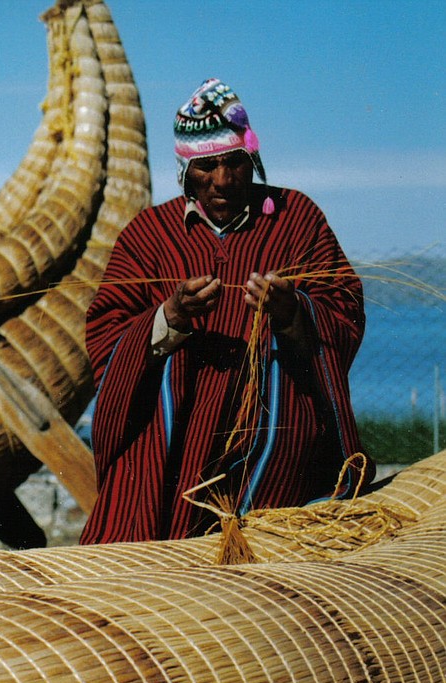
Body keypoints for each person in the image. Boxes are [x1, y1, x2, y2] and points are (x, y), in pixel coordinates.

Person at [80, 78, 374, 545]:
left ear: (251, 158)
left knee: (272, 570)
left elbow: (344, 311)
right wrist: (168, 318)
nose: (221, 180)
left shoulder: (296, 218)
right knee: (154, 567)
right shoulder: (148, 234)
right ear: (183, 169)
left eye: (234, 163)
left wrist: (292, 312)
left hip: (275, 447)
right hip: (171, 453)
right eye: (206, 166)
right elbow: (104, 336)